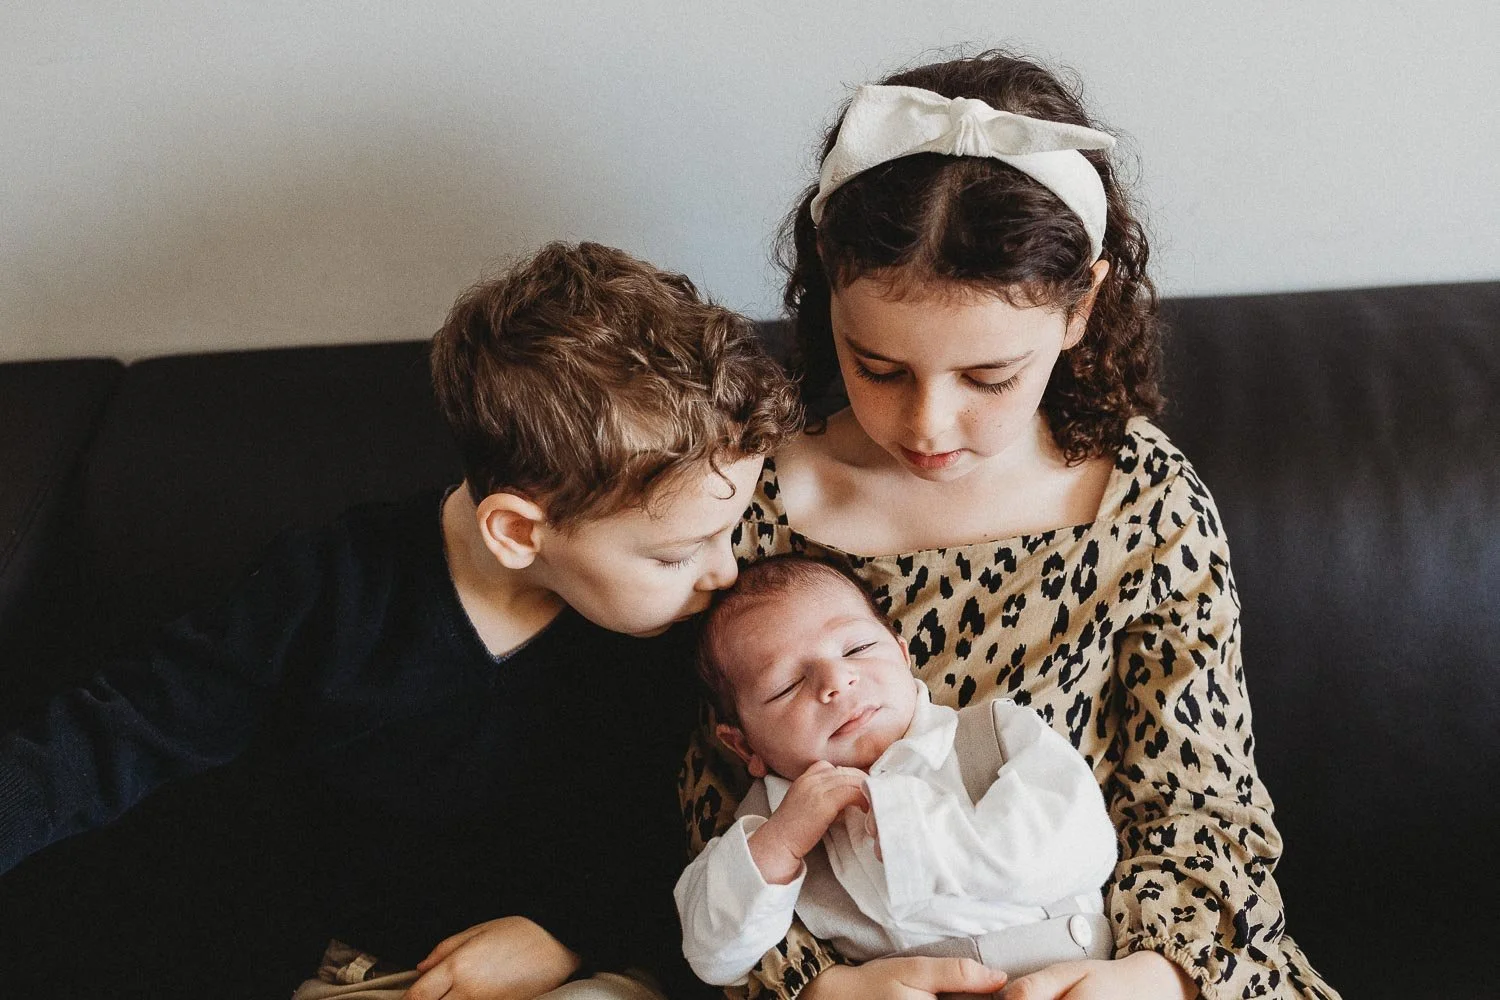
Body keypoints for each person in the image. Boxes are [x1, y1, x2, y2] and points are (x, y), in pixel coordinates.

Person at [680, 52, 1341, 1000]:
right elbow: (717, 823)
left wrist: (1154, 978)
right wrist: (814, 987)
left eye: (988, 378)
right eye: (879, 368)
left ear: (1081, 309)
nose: (927, 425)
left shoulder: (1140, 500)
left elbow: (1203, 806)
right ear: (829, 286)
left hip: (1125, 965)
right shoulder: (748, 503)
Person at [0, 242, 802, 999]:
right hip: (369, 968)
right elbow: (121, 731)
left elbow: (690, 833)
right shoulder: (326, 591)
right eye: (675, 554)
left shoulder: (686, 631)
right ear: (520, 532)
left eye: (726, 534)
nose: (726, 570)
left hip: (598, 957)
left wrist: (568, 935)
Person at [675, 555, 1118, 988]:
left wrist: (914, 833)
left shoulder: (994, 735)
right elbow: (711, 956)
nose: (837, 680)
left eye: (858, 648)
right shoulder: (770, 825)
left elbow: (1083, 844)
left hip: (1066, 976)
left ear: (903, 655)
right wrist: (779, 846)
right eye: (787, 684)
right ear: (743, 744)